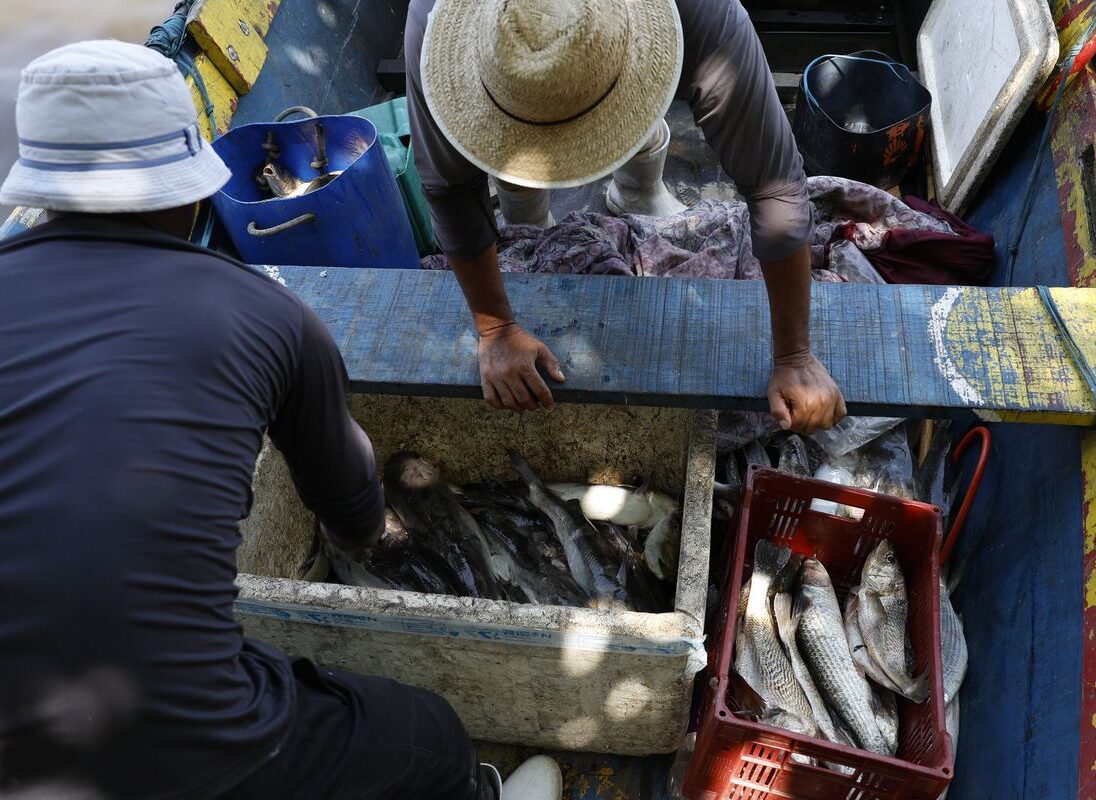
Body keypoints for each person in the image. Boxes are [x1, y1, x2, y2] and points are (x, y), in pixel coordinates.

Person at [0, 40, 559, 800]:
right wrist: (370, 533)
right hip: (181, 741)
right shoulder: (268, 314)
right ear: (188, 195)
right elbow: (354, 512)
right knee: (430, 734)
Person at [406, 0, 848, 433]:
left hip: (641, 59)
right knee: (519, 175)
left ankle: (637, 188)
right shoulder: (434, 29)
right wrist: (496, 328)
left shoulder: (705, 15)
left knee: (622, 113)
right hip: (508, 104)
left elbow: (774, 186)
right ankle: (525, 207)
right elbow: (450, 190)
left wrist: (795, 355)